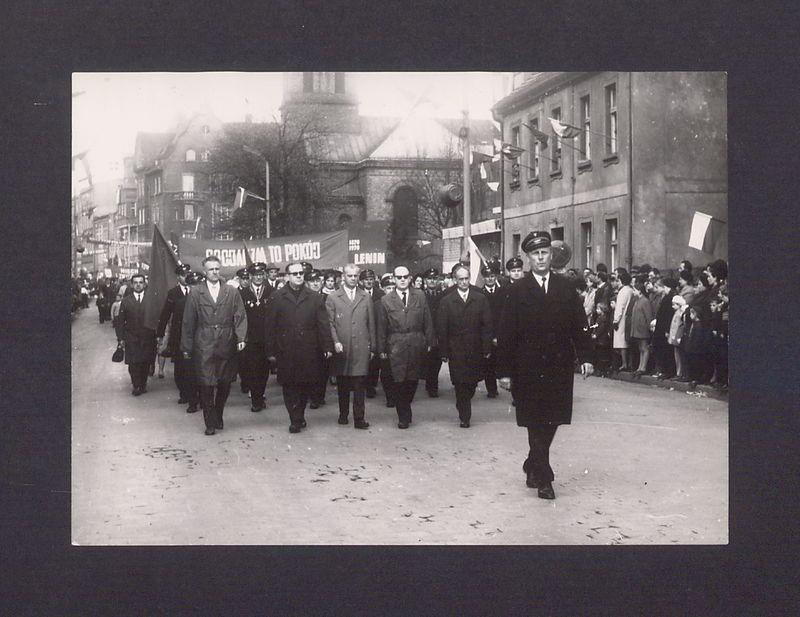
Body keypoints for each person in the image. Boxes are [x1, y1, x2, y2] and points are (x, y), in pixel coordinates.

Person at [496, 231, 593, 500]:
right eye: (535, 254)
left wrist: (585, 357)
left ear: (552, 255)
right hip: (526, 368)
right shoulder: (516, 291)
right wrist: (503, 371)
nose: (541, 258)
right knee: (534, 420)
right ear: (528, 258)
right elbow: (506, 333)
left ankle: (532, 462)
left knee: (552, 419)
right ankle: (545, 476)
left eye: (545, 253)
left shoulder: (565, 288)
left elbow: (579, 326)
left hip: (558, 367)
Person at [181, 255, 247, 435]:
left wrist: (241, 338)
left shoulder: (231, 292)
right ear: (204, 272)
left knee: (225, 381)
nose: (215, 272)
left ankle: (218, 412)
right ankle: (210, 422)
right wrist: (186, 347)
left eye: (217, 268)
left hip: (226, 341)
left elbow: (240, 316)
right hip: (204, 342)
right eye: (211, 269)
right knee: (206, 382)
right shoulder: (196, 292)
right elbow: (188, 321)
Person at [264, 262, 334, 433]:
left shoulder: (314, 296)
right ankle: (294, 418)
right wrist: (270, 350)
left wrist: (327, 346)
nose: (298, 276)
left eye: (301, 273)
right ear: (287, 276)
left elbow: (323, 324)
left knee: (305, 385)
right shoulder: (277, 296)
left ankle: (300, 413)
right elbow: (270, 326)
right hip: (286, 349)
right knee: (289, 385)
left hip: (309, 349)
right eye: (294, 274)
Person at [377, 264, 435, 429]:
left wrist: (430, 341)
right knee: (399, 380)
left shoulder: (420, 296)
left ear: (410, 278)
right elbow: (381, 327)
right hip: (396, 344)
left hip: (417, 342)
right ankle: (403, 416)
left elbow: (427, 320)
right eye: (399, 277)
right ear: (394, 279)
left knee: (412, 379)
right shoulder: (386, 300)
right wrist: (381, 349)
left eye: (405, 277)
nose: (402, 280)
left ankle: (405, 405)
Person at [437, 264, 493, 428]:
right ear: (455, 280)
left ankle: (464, 402)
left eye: (466, 278)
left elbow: (487, 325)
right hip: (456, 350)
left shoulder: (480, 298)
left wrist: (487, 347)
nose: (463, 282)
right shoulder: (446, 301)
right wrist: (444, 351)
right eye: (460, 279)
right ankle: (464, 416)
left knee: (472, 383)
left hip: (475, 348)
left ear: (470, 278)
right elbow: (442, 328)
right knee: (460, 383)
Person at [326, 263, 376, 429]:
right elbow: (330, 323)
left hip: (361, 347)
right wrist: (335, 342)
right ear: (343, 277)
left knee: (360, 384)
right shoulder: (333, 297)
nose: (353, 279)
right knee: (343, 383)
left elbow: (371, 324)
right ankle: (343, 414)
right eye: (350, 276)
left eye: (355, 276)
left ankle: (359, 418)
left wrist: (372, 346)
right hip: (342, 348)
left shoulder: (365, 296)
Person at [156, 263, 198, 412]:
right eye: (183, 275)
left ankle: (194, 395)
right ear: (178, 277)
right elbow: (165, 313)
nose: (186, 278)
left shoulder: (198, 290)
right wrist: (160, 334)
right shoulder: (173, 293)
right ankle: (184, 393)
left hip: (196, 334)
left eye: (188, 275)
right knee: (180, 367)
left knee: (194, 366)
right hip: (178, 335)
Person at [239, 262, 274, 412]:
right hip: (250, 339)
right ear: (251, 276)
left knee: (264, 370)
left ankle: (260, 393)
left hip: (267, 338)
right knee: (253, 369)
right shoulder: (243, 293)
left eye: (261, 275)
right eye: (256, 275)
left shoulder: (272, 292)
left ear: (264, 276)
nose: (259, 277)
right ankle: (256, 400)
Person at [116, 274, 157, 396]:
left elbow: (155, 318)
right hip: (131, 337)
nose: (138, 284)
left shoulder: (151, 300)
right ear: (131, 284)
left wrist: (157, 335)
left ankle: (143, 384)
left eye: (140, 282)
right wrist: (120, 338)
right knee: (133, 363)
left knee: (145, 362)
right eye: (135, 282)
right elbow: (120, 321)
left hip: (147, 337)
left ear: (144, 284)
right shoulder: (125, 301)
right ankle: (136, 385)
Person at [359, 268, 385, 399]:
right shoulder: (358, 293)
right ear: (361, 281)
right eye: (366, 280)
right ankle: (362, 384)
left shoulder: (381, 294)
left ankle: (371, 386)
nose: (369, 282)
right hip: (362, 328)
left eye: (371, 279)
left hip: (376, 327)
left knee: (374, 361)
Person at [479, 262, 503, 398]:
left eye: (492, 276)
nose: (490, 279)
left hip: (501, 332)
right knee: (488, 363)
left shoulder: (502, 292)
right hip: (486, 334)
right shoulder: (479, 294)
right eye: (487, 277)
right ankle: (491, 390)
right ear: (484, 278)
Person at [422, 267, 444, 398]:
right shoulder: (420, 295)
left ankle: (432, 385)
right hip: (425, 332)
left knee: (437, 360)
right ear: (425, 280)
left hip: (439, 332)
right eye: (429, 279)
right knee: (427, 360)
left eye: (434, 279)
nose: (432, 281)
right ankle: (429, 384)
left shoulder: (443, 295)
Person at [628, 278, 654, 377]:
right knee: (640, 348)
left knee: (644, 347)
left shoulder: (645, 301)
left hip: (643, 329)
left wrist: (649, 328)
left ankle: (643, 367)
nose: (633, 292)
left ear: (639, 291)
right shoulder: (637, 301)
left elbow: (648, 316)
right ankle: (640, 366)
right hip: (637, 329)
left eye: (634, 290)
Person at [612, 269, 634, 371]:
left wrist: (616, 320)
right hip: (628, 317)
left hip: (621, 320)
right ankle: (629, 363)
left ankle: (624, 364)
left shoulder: (622, 292)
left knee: (622, 343)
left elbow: (619, 307)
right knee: (626, 342)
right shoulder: (630, 290)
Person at [668, 295, 689, 381]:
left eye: (674, 304)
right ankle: (678, 372)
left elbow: (679, 326)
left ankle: (680, 372)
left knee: (679, 355)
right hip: (675, 336)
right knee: (677, 355)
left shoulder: (681, 313)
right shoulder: (676, 313)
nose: (673, 306)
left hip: (678, 336)